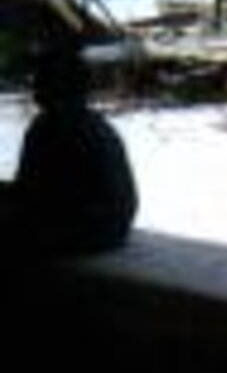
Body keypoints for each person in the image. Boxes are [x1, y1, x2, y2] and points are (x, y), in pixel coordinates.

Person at [0, 40, 138, 257]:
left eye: (41, 77)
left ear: (58, 84)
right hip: (109, 226)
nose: (34, 82)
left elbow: (35, 196)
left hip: (90, 230)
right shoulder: (91, 123)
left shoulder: (53, 126)